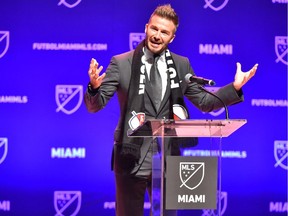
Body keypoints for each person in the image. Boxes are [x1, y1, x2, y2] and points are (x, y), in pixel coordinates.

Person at [84, 4, 258, 216]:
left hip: (168, 159)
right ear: (146, 27)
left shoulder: (181, 65)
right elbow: (95, 105)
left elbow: (204, 101)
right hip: (130, 158)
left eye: (164, 32)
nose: (157, 35)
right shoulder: (121, 64)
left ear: (172, 38)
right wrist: (94, 87)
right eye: (154, 29)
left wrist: (235, 87)